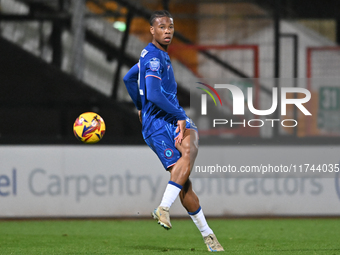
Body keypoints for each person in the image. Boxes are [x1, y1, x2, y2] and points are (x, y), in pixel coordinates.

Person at [123, 10, 224, 252]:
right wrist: (176, 114)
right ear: (152, 30)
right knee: (184, 181)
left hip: (168, 117)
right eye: (161, 27)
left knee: (187, 156)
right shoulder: (155, 58)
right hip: (158, 124)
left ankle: (166, 210)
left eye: (170, 27)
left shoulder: (151, 55)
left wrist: (139, 106)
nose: (167, 31)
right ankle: (205, 234)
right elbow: (155, 94)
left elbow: (128, 78)